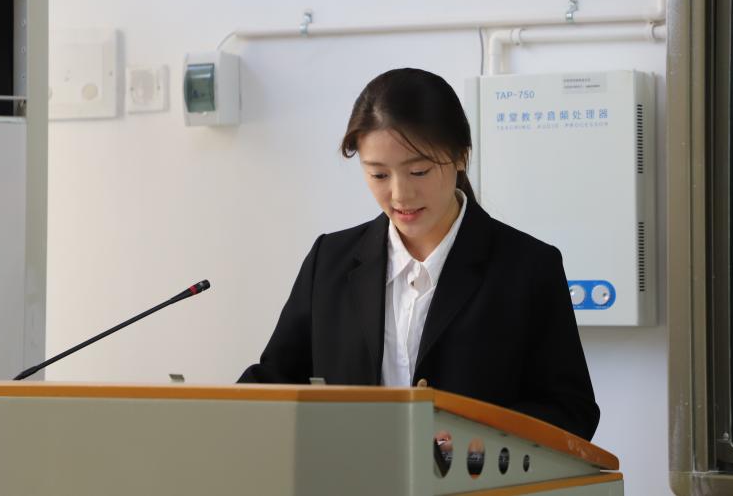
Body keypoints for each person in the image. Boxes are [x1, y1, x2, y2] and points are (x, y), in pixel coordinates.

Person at [239, 68, 600, 440]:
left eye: (419, 171)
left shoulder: (528, 267)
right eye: (379, 175)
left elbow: (571, 410)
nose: (400, 194)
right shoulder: (329, 260)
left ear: (461, 156)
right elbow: (274, 381)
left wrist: (473, 437)